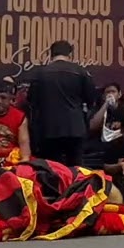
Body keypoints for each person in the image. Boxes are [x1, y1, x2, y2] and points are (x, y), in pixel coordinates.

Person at [23, 40, 97, 168]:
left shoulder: (40, 74)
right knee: (77, 169)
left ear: (51, 54)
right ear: (70, 54)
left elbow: (32, 100)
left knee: (52, 169)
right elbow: (91, 100)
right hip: (75, 128)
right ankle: (78, 188)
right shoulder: (81, 72)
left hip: (48, 128)